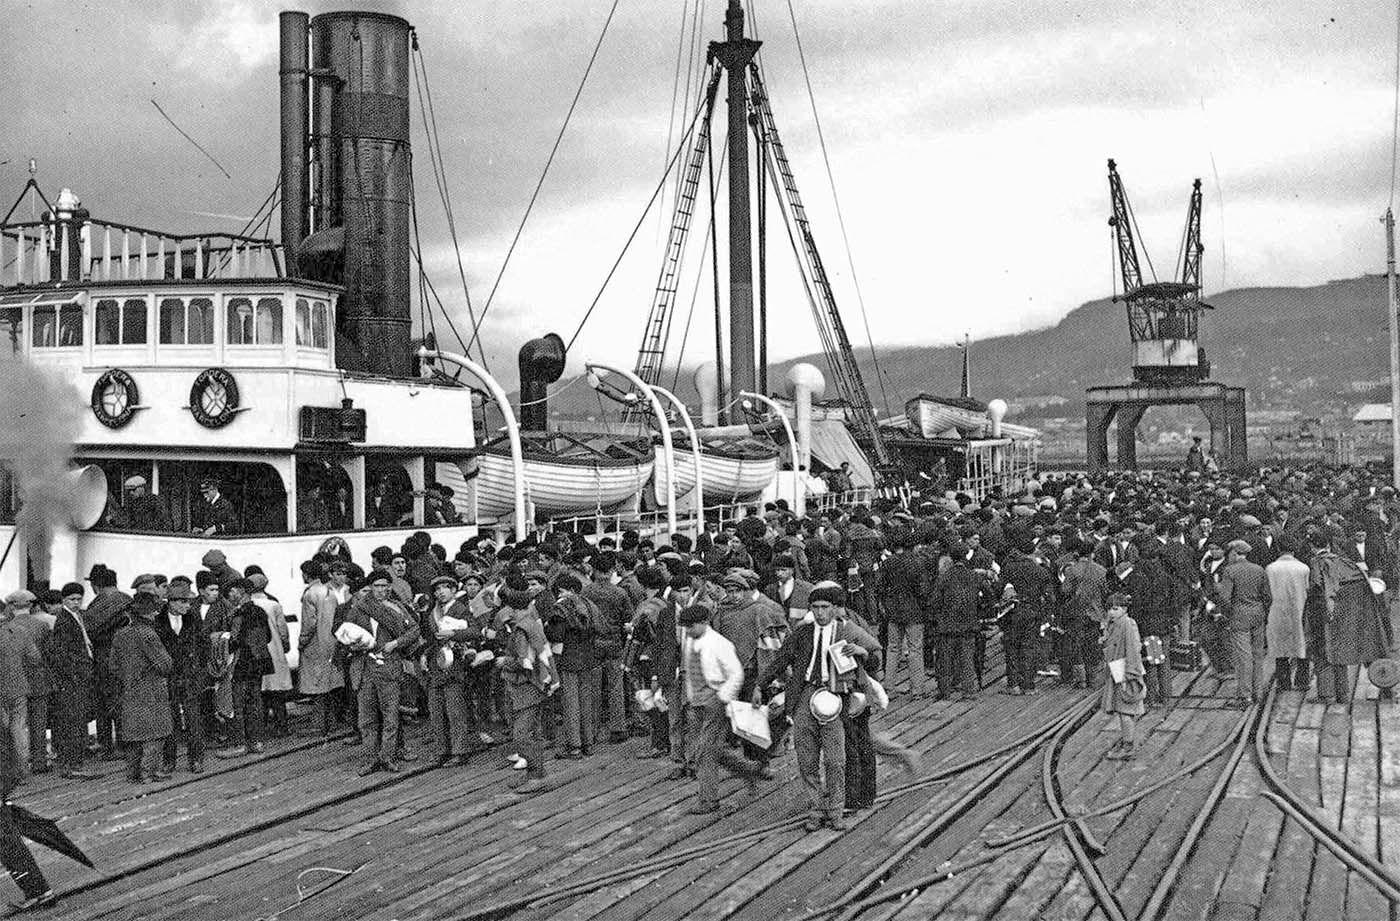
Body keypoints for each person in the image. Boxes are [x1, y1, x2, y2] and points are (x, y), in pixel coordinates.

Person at [758, 582, 877, 831]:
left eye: (825, 607)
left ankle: (835, 811)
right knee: (807, 758)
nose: (820, 613)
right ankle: (815, 810)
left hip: (835, 695)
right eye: (815, 607)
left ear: (835, 608)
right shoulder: (803, 633)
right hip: (805, 695)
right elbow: (781, 659)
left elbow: (876, 655)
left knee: (835, 760)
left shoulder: (848, 631)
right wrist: (760, 685)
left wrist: (861, 652)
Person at [675, 604, 761, 815]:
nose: (688, 630)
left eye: (691, 626)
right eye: (685, 627)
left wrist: (721, 699)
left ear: (705, 622)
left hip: (714, 701)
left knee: (705, 752)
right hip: (695, 701)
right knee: (707, 750)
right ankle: (748, 769)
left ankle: (708, 801)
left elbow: (736, 674)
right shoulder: (690, 640)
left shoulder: (719, 644)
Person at [343, 571, 421, 775]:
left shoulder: (397, 607)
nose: (382, 590)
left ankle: (388, 756)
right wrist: (354, 646)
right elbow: (346, 635)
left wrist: (395, 643)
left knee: (391, 716)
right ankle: (370, 758)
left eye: (386, 586)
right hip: (364, 668)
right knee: (366, 719)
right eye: (377, 586)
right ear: (370, 587)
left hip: (388, 666)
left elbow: (414, 630)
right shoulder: (358, 609)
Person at [496, 575, 556, 794]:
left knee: (521, 735)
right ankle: (533, 772)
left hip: (525, 687)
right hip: (534, 687)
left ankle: (537, 775)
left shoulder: (521, 629)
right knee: (531, 732)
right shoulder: (532, 622)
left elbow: (525, 661)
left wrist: (504, 662)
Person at [109, 593, 174, 782]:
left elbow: (113, 667)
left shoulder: (120, 634)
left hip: (129, 690)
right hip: (152, 689)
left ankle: (132, 774)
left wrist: (129, 676)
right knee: (156, 732)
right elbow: (165, 665)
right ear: (150, 613)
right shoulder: (148, 634)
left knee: (134, 734)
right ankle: (148, 773)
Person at [423, 575, 480, 766]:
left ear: (454, 590)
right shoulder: (433, 612)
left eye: (445, 588)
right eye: (437, 589)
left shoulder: (461, 609)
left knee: (455, 710)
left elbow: (475, 631)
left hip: (455, 665)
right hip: (436, 664)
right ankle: (442, 750)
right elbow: (431, 639)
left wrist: (454, 634)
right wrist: (425, 654)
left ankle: (460, 750)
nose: (441, 592)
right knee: (437, 711)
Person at [153, 581, 207, 774]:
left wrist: (200, 671)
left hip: (189, 676)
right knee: (170, 721)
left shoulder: (193, 619)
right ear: (172, 602)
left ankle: (196, 759)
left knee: (194, 720)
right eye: (184, 602)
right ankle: (169, 761)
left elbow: (203, 645)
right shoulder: (158, 621)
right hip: (168, 678)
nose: (188, 606)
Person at [549, 573, 603, 760]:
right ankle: (588, 742)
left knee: (571, 703)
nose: (559, 594)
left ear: (570, 590)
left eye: (561, 590)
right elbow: (602, 628)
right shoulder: (590, 605)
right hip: (588, 658)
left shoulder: (561, 607)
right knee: (586, 701)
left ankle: (574, 746)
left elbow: (556, 635)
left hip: (569, 659)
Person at [1217, 539, 1272, 708]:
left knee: (1243, 657)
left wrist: (1227, 614)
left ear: (1234, 553)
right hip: (1258, 614)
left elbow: (1224, 598)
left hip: (1239, 616)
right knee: (1258, 654)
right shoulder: (1259, 569)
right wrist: (1262, 611)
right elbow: (1268, 596)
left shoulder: (1230, 570)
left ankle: (1244, 696)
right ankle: (1258, 692)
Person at [878, 535, 933, 697]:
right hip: (914, 611)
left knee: (893, 648)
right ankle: (917, 689)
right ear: (913, 546)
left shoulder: (888, 562)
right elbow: (923, 590)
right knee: (915, 649)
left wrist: (886, 606)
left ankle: (889, 687)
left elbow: (880, 587)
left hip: (893, 611)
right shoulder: (918, 563)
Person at [52, 582, 97, 779]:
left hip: (78, 677)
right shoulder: (64, 620)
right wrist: (74, 675)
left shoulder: (75, 616)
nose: (76, 603)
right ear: (64, 600)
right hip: (73, 680)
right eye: (72, 599)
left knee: (77, 720)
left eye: (79, 599)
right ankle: (72, 764)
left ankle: (73, 762)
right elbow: (61, 654)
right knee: (74, 721)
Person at [7, 593, 53, 776]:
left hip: (15, 681)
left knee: (17, 725)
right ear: (31, 605)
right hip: (39, 680)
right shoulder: (42, 625)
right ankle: (39, 762)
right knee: (39, 723)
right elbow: (47, 654)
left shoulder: (8, 627)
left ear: (12, 606)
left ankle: (20, 765)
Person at [224, 579, 272, 754]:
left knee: (237, 704)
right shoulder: (260, 611)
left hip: (242, 664)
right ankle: (257, 742)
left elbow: (234, 641)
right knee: (255, 702)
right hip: (258, 663)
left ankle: (239, 744)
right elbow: (268, 637)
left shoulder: (238, 615)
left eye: (232, 591)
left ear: (241, 592)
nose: (229, 595)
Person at [0, 594, 43, 784]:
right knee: (18, 729)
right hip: (17, 686)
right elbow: (35, 659)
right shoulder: (19, 631)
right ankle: (22, 772)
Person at [297, 561, 344, 736]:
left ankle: (318, 724)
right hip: (330, 642)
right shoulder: (329, 592)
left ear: (307, 574)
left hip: (314, 644)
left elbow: (309, 623)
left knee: (316, 687)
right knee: (329, 684)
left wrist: (302, 642)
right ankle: (331, 721)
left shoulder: (309, 594)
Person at [1100, 593, 1146, 760]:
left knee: (1126, 709)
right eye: (1109, 609)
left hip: (1125, 669)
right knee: (1122, 709)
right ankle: (1127, 741)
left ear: (1124, 609)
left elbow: (1134, 650)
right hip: (1117, 667)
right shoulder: (1115, 624)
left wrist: (1131, 675)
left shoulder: (1127, 624)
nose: (1111, 612)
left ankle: (1128, 746)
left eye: (1115, 609)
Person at [1265, 538, 1311, 691]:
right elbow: (1307, 589)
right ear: (1294, 550)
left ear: (1279, 549)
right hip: (1300, 609)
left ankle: (1283, 682)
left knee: (1280, 645)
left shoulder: (1271, 568)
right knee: (1301, 642)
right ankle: (1302, 680)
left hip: (1277, 609)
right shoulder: (1303, 568)